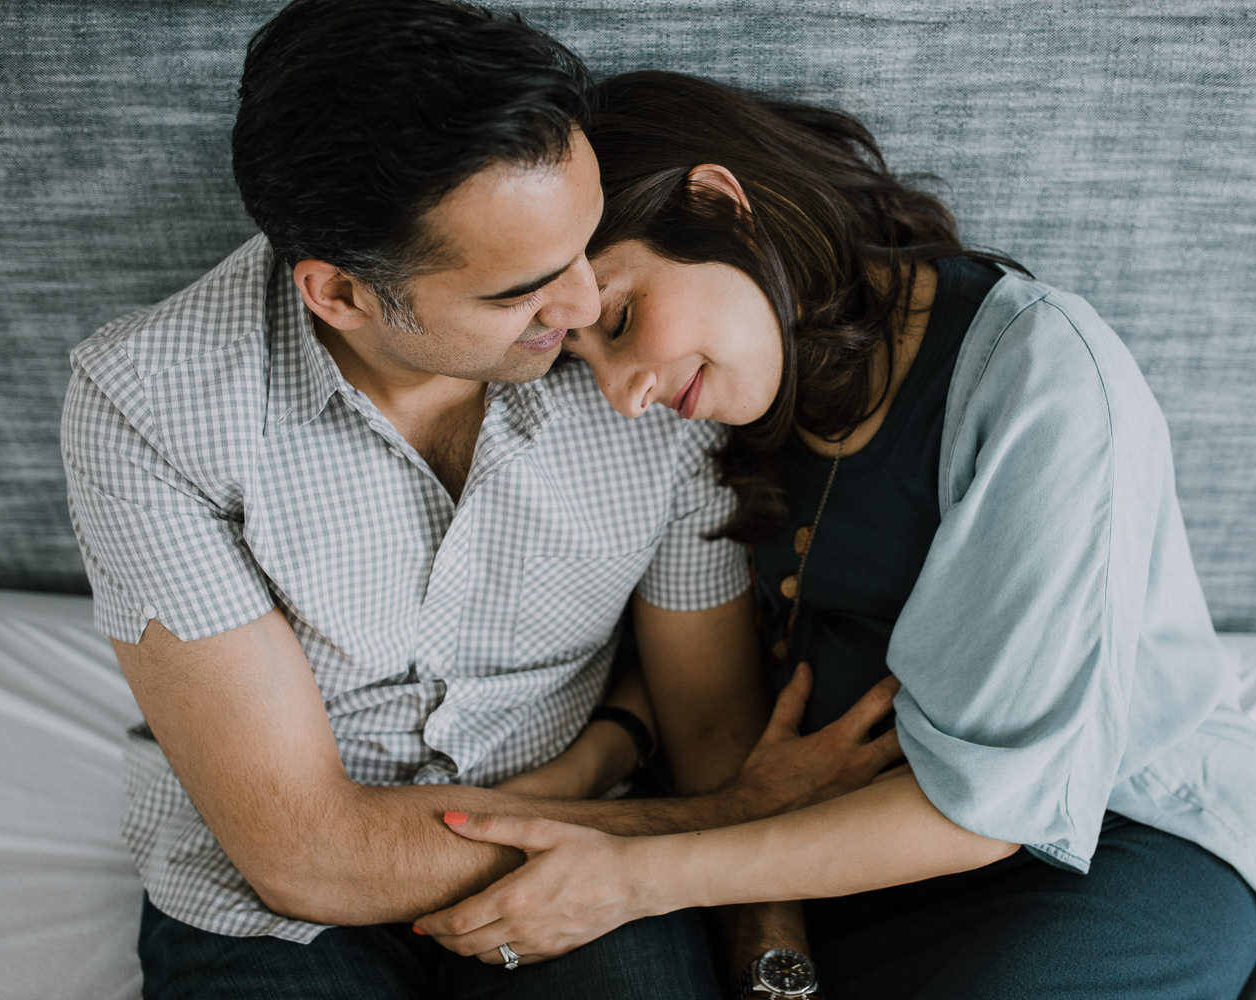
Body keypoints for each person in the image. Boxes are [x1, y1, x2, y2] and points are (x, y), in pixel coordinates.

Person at [411, 72, 1256, 1000]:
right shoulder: (723, 404)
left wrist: (637, 873)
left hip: (1094, 848)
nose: (623, 397)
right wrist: (627, 799)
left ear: (720, 204)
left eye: (620, 318)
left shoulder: (1043, 376)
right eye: (583, 361)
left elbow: (991, 808)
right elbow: (686, 655)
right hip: (820, 860)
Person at [60, 8, 897, 999]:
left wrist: (769, 955)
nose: (587, 304)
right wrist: (717, 828)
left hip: (592, 866)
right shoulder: (148, 405)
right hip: (277, 910)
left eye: (586, 244)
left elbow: (709, 720)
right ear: (341, 295)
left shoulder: (644, 360)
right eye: (523, 291)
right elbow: (308, 855)